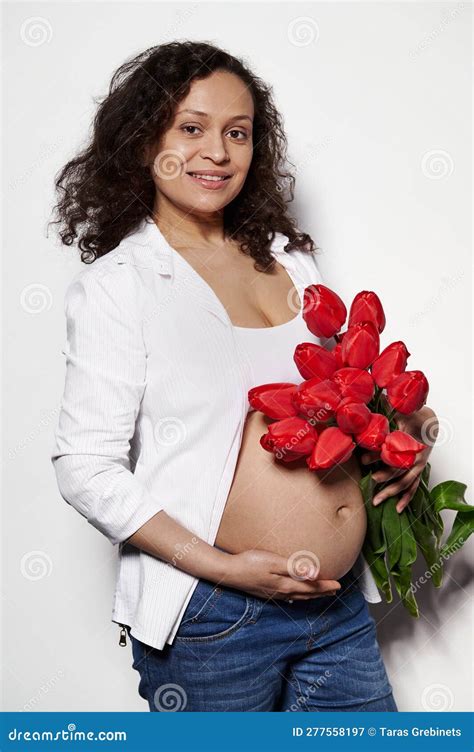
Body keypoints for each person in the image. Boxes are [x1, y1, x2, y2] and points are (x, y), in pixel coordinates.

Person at [50, 41, 436, 712]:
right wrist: (226, 567)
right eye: (191, 129)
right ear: (146, 142)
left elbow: (350, 394)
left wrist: (404, 435)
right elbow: (85, 466)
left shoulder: (290, 262)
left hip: (334, 606)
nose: (219, 153)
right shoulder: (121, 286)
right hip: (214, 619)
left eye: (238, 132)